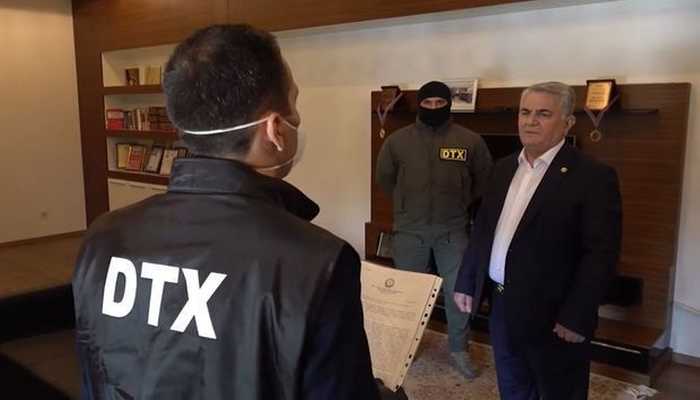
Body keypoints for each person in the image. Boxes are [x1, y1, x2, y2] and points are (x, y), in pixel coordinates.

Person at [73, 24, 405, 400]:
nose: (297, 119)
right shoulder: (316, 262)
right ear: (274, 130)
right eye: (294, 105)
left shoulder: (104, 236)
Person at [453, 81, 622, 399]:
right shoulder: (502, 168)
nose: (530, 121)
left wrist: (577, 315)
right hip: (502, 308)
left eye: (543, 114)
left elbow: (601, 254)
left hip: (555, 318)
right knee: (514, 388)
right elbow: (484, 230)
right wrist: (467, 281)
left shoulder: (592, 176)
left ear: (567, 123)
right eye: (525, 112)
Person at [375, 81, 493, 379]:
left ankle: (459, 350)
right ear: (420, 105)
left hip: (452, 232)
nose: (433, 108)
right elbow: (385, 178)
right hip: (410, 231)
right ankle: (403, 349)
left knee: (458, 292)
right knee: (407, 294)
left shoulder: (470, 141)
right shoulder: (398, 141)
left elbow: (483, 180)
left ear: (448, 105)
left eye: (439, 103)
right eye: (427, 103)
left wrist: (462, 201)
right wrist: (406, 204)